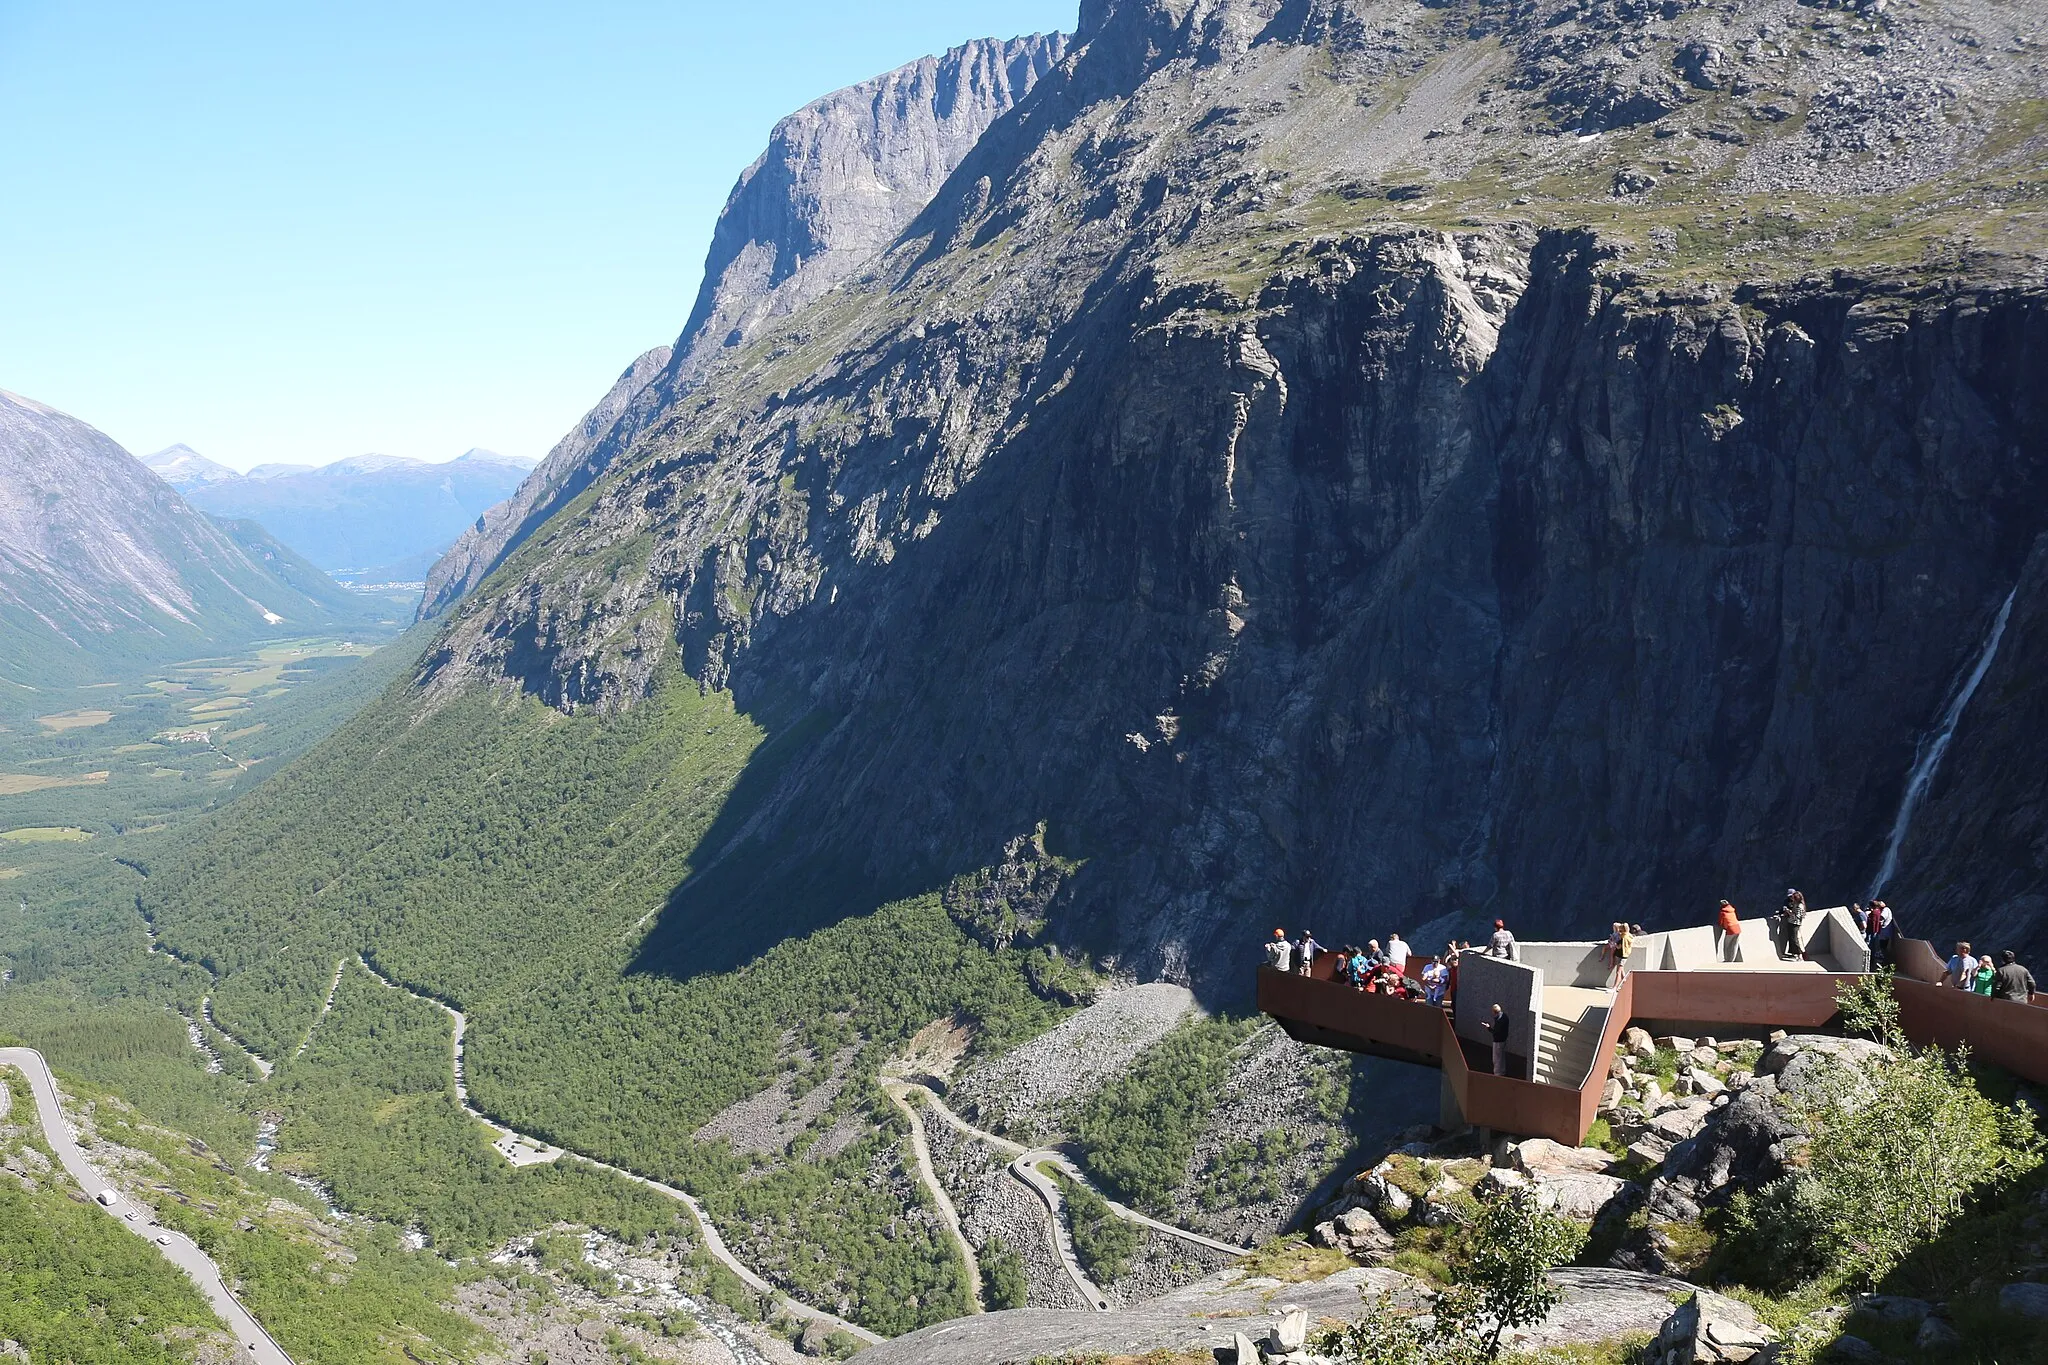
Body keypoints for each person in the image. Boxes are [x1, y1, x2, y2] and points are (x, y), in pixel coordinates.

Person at [1776, 890, 1807, 961]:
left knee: (1795, 940)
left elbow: (1796, 916)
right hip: (1791, 923)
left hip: (1795, 924)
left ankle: (1799, 955)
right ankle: (1794, 954)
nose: (1792, 899)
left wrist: (1788, 911)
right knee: (1792, 939)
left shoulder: (1799, 906)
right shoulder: (1796, 904)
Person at [1487, 1003, 1512, 1076]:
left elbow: (1495, 1032)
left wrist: (1489, 1028)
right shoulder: (1505, 1016)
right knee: (1501, 1057)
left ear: (1494, 1012)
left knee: (1496, 1058)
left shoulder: (1499, 1020)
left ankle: (1497, 1073)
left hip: (1498, 1041)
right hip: (1503, 1039)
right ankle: (1502, 1071)